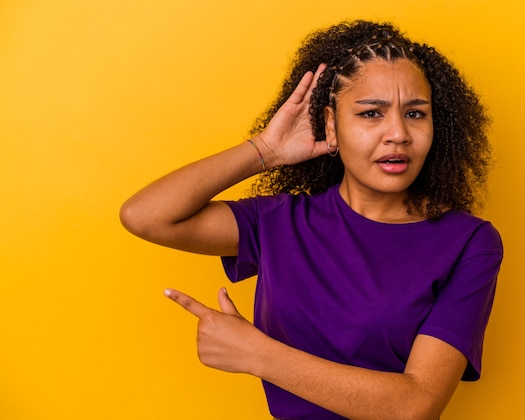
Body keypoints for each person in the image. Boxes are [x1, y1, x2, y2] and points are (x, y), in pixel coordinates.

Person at [120, 20, 503, 420]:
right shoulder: (278, 222)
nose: (398, 134)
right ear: (332, 125)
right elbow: (145, 216)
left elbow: (415, 406)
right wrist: (265, 150)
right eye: (371, 113)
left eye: (415, 114)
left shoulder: (469, 242)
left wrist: (256, 354)